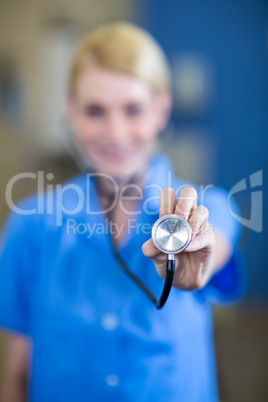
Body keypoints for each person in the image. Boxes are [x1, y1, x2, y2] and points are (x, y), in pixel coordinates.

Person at [0, 22, 246, 401]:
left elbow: (215, 241)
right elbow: (16, 371)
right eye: (95, 110)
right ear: (70, 110)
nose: (115, 133)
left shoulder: (206, 205)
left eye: (133, 110)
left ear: (162, 109)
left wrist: (200, 264)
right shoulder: (29, 225)